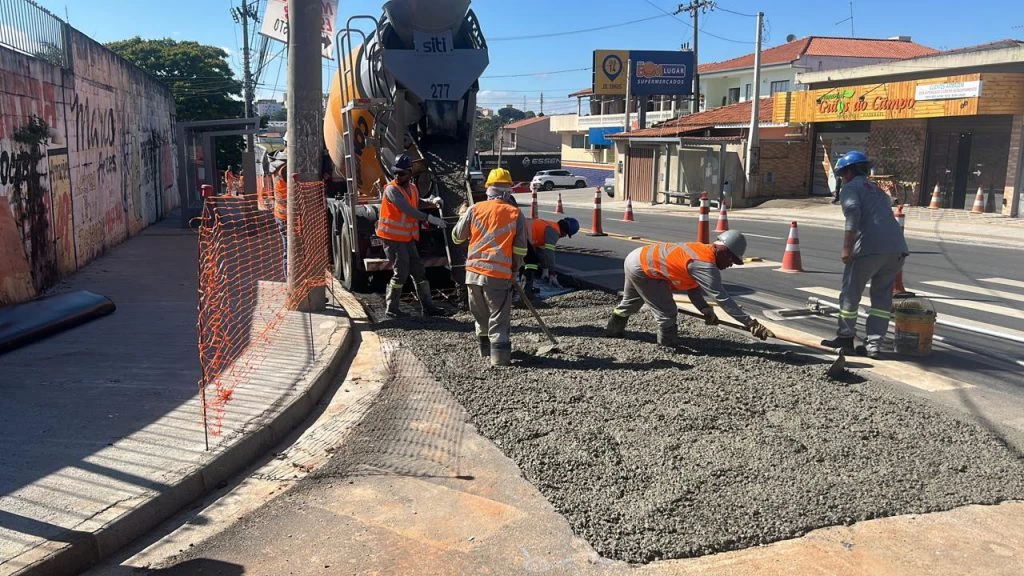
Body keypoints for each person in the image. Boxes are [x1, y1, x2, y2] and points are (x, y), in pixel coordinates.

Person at [605, 230, 774, 347]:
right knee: (667, 311)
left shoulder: (702, 252)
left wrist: (704, 309)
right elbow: (722, 298)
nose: (730, 265)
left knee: (631, 302)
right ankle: (668, 346)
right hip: (645, 269)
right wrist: (751, 323)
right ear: (724, 251)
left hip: (637, 257)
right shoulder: (705, 265)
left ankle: (613, 332)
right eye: (732, 260)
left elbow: (692, 288)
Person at [821, 150, 908, 358]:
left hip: (869, 249)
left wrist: (847, 248)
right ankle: (874, 345)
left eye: (842, 174)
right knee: (881, 299)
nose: (842, 178)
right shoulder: (877, 190)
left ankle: (845, 337)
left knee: (850, 294)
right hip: (896, 249)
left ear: (848, 172)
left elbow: (853, 214)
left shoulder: (851, 188)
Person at [451, 168, 528, 366]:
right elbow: (520, 249)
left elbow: (456, 237)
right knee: (499, 316)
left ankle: (484, 350)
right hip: (498, 275)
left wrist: (462, 216)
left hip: (473, 274)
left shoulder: (474, 209)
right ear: (508, 190)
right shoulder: (515, 214)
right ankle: (500, 358)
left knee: (480, 314)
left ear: (488, 189)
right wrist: (514, 270)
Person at [377, 153, 448, 318]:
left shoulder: (413, 188)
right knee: (401, 272)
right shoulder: (391, 189)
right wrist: (429, 217)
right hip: (393, 239)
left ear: (409, 173)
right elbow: (406, 209)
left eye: (401, 173)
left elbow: (416, 203)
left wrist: (431, 202)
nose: (397, 175)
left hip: (407, 238)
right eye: (395, 172)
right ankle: (392, 308)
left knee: (418, 270)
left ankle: (428, 307)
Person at [522, 216, 579, 293]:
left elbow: (541, 251)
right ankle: (526, 289)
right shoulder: (553, 232)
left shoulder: (551, 227)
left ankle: (525, 286)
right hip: (520, 233)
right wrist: (552, 273)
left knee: (531, 259)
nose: (564, 236)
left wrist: (545, 269)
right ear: (565, 231)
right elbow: (550, 253)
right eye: (566, 234)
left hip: (521, 233)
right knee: (531, 262)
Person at [270, 152, 288, 279]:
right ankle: (292, 283)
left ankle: (290, 281)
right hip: (288, 215)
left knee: (287, 249)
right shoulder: (285, 168)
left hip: (280, 213)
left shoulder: (275, 167)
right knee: (290, 251)